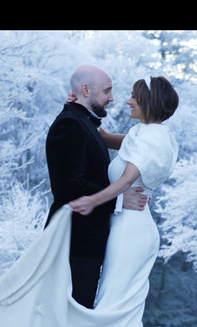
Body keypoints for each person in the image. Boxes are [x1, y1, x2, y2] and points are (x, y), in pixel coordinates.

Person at [0, 71, 179, 327]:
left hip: (129, 229)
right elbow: (101, 138)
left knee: (112, 317)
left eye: (131, 95)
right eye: (108, 92)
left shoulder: (154, 137)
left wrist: (104, 198)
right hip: (115, 229)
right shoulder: (136, 133)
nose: (121, 100)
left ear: (148, 103)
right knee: (110, 316)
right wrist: (74, 104)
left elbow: (123, 179)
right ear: (86, 91)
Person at [44, 64, 148, 310]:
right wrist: (120, 200)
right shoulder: (69, 125)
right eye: (107, 91)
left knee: (78, 314)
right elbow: (69, 187)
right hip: (75, 241)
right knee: (73, 313)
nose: (112, 98)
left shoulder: (82, 121)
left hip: (87, 240)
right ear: (86, 89)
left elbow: (105, 137)